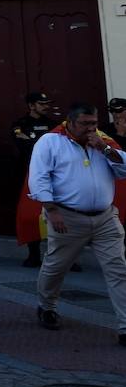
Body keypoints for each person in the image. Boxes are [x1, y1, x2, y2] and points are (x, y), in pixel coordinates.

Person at [28, 103, 126, 345]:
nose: (91, 129)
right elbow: (39, 177)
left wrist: (105, 149)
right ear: (70, 123)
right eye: (85, 124)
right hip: (67, 216)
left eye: (94, 123)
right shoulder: (50, 142)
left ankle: (125, 327)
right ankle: (46, 306)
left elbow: (123, 169)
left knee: (119, 270)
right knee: (56, 266)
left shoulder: (102, 141)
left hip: (105, 217)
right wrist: (51, 210)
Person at [14, 92, 61, 267]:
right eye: (41, 104)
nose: (45, 106)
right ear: (31, 106)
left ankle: (65, 256)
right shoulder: (20, 125)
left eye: (46, 103)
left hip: (54, 175)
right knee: (32, 215)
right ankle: (33, 254)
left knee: (59, 213)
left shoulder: (53, 125)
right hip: (30, 175)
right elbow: (23, 146)